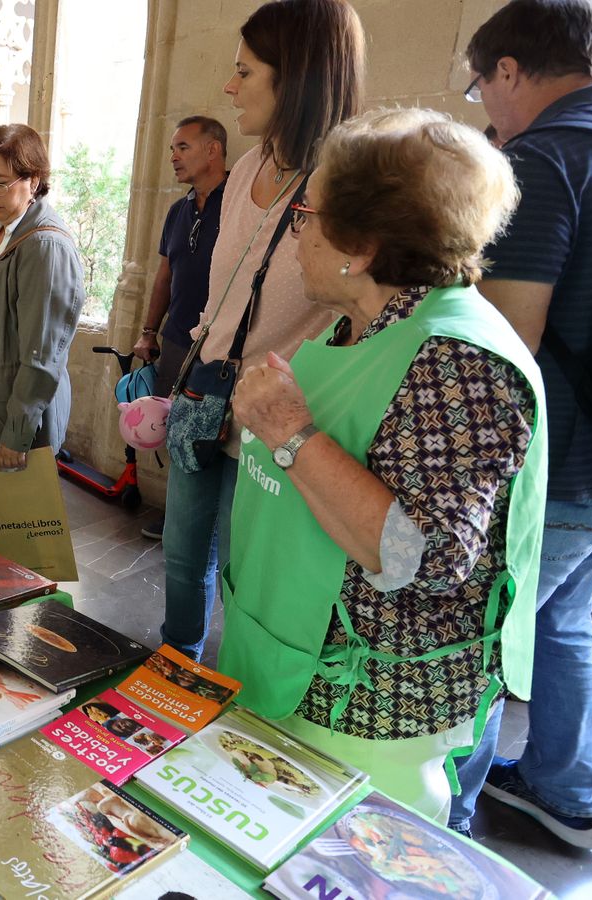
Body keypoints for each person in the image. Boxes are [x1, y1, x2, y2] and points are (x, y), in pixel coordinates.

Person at [219, 106, 545, 823]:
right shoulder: (356, 325)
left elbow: (427, 557)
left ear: (360, 245)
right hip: (280, 667)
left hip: (362, 712)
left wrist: (290, 432)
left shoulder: (459, 362)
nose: (296, 233)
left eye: (307, 214)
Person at [449, 0, 592, 849]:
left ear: (509, 72)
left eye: (480, 86)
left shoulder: (547, 159)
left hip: (559, 469)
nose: (485, 108)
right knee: (560, 618)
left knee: (475, 644)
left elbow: (504, 347)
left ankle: (437, 823)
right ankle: (565, 790)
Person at [160, 0, 364, 662]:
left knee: (248, 581)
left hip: (273, 425)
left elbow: (352, 320)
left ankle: (243, 709)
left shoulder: (345, 190)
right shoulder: (246, 169)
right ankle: (173, 672)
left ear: (295, 79)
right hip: (204, 401)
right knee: (182, 559)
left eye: (245, 72)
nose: (228, 86)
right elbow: (225, 292)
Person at [0, 123, 84, 469]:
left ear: (33, 181)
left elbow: (42, 351)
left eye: (1, 182)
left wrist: (17, 433)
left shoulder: (44, 245)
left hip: (13, 413)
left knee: (19, 519)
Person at [136, 117, 230, 396]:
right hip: (176, 340)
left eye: (183, 148)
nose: (173, 157)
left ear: (212, 150)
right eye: (171, 149)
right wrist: (149, 331)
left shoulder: (240, 204)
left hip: (219, 346)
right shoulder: (178, 210)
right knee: (165, 427)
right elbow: (165, 276)